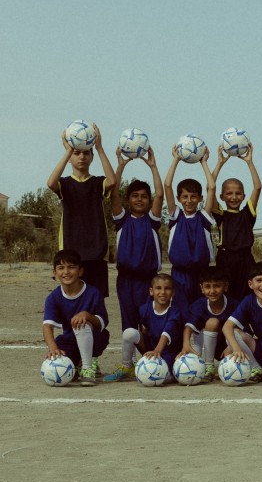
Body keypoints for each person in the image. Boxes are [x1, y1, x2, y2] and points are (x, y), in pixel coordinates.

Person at [47, 122, 116, 296]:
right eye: (77, 153)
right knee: (73, 302)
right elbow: (50, 183)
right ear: (70, 157)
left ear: (92, 157)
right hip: (72, 254)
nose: (82, 157)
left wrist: (99, 148)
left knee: (96, 302)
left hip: (96, 253)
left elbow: (113, 181)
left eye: (86, 153)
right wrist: (68, 150)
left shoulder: (97, 182)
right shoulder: (66, 184)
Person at [111, 147, 163, 331]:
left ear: (149, 200)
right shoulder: (122, 220)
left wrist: (153, 166)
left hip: (149, 279)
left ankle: (151, 357)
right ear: (128, 199)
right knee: (129, 320)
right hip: (126, 280)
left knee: (148, 321)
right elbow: (113, 192)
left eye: (144, 197)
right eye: (135, 196)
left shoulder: (152, 221)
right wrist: (120, 166)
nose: (139, 200)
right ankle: (128, 360)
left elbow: (160, 193)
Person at [42, 250, 110, 386]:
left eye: (71, 267)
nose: (66, 272)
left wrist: (87, 315)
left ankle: (87, 368)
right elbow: (47, 326)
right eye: (61, 268)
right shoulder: (53, 298)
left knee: (82, 323)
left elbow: (102, 323)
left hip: (95, 338)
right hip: (69, 340)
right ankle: (78, 364)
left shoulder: (93, 292)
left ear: (80, 271)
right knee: (65, 372)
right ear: (54, 273)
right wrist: (53, 348)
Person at [104, 273, 184, 384]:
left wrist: (157, 351)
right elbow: (144, 328)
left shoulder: (175, 311)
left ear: (173, 293)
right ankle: (127, 366)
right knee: (129, 333)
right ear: (151, 291)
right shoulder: (144, 308)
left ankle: (169, 373)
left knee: (164, 377)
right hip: (150, 348)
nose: (162, 292)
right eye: (158, 288)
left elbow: (167, 332)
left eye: (167, 289)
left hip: (168, 352)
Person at [163, 144, 216, 311]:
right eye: (185, 197)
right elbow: (167, 185)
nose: (189, 200)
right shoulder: (176, 216)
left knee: (201, 313)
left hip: (202, 274)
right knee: (180, 313)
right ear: (179, 198)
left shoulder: (204, 217)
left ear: (200, 198)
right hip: (179, 275)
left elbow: (212, 187)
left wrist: (203, 162)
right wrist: (176, 159)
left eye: (193, 197)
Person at [210, 144, 261, 301]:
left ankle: (245, 324)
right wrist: (219, 163)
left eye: (238, 193)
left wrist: (249, 162)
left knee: (247, 296)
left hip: (246, 260)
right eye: (229, 193)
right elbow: (210, 187)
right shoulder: (220, 214)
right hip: (225, 259)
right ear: (222, 196)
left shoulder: (247, 214)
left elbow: (258, 187)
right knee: (226, 297)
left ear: (243, 195)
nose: (234, 197)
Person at [179, 266, 235, 381]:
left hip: (228, 346)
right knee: (212, 322)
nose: (212, 291)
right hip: (205, 344)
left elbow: (242, 332)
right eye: (208, 287)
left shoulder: (234, 305)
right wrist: (185, 344)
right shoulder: (198, 305)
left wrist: (231, 347)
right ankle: (209, 366)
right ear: (202, 288)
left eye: (217, 286)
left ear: (225, 286)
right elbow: (188, 327)